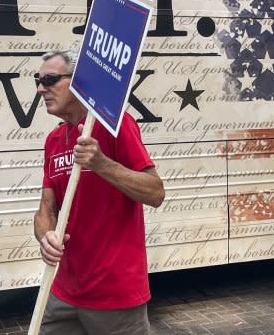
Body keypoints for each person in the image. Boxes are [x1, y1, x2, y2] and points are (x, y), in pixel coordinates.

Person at [34, 48, 165, 335]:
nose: (41, 89)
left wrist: (101, 163)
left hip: (115, 297)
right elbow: (46, 208)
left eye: (51, 79)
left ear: (79, 81)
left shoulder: (115, 126)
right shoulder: (53, 140)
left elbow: (155, 192)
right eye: (38, 80)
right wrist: (46, 237)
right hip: (63, 291)